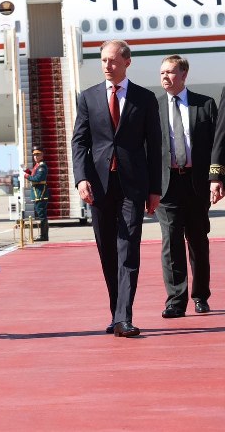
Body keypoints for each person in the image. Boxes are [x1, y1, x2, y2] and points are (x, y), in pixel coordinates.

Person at [71, 39, 162, 338]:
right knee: (107, 250)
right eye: (103, 60)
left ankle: (124, 316)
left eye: (112, 60)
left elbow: (154, 146)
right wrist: (81, 178)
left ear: (127, 62)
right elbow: (79, 142)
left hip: (132, 186)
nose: (107, 66)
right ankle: (115, 312)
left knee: (128, 248)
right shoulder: (88, 97)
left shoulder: (145, 98)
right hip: (99, 186)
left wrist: (154, 190)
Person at [155, 55, 216, 318]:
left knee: (198, 241)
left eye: (170, 72)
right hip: (167, 184)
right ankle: (175, 301)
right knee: (171, 243)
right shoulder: (154, 107)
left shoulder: (205, 105)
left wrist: (217, 178)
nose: (165, 77)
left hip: (196, 183)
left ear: (183, 74)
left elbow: (218, 145)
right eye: (162, 73)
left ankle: (200, 296)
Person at [24, 147, 49, 241]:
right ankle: (43, 235)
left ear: (42, 155)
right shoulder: (37, 165)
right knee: (41, 215)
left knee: (42, 216)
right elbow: (34, 175)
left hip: (40, 194)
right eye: (34, 155)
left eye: (38, 154)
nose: (35, 156)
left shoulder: (42, 166)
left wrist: (27, 176)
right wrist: (27, 171)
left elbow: (37, 179)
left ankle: (44, 236)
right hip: (37, 193)